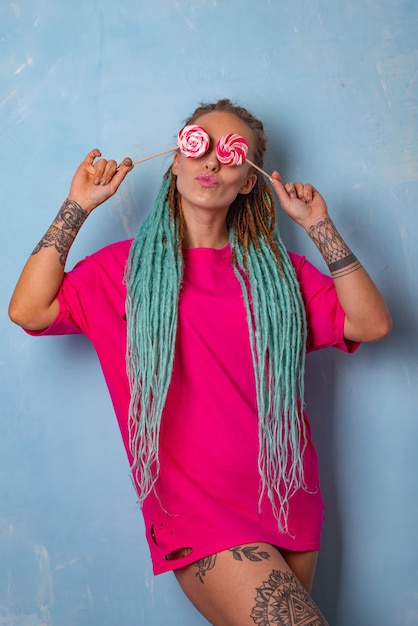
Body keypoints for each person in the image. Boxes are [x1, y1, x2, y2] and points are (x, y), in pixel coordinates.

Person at [9, 98, 391, 626]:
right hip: (199, 512)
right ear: (175, 160)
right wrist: (78, 206)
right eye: (198, 144)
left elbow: (370, 324)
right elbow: (29, 309)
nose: (211, 161)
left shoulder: (281, 279)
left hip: (287, 496)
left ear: (251, 180)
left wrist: (318, 223)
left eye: (231, 154)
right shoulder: (122, 272)